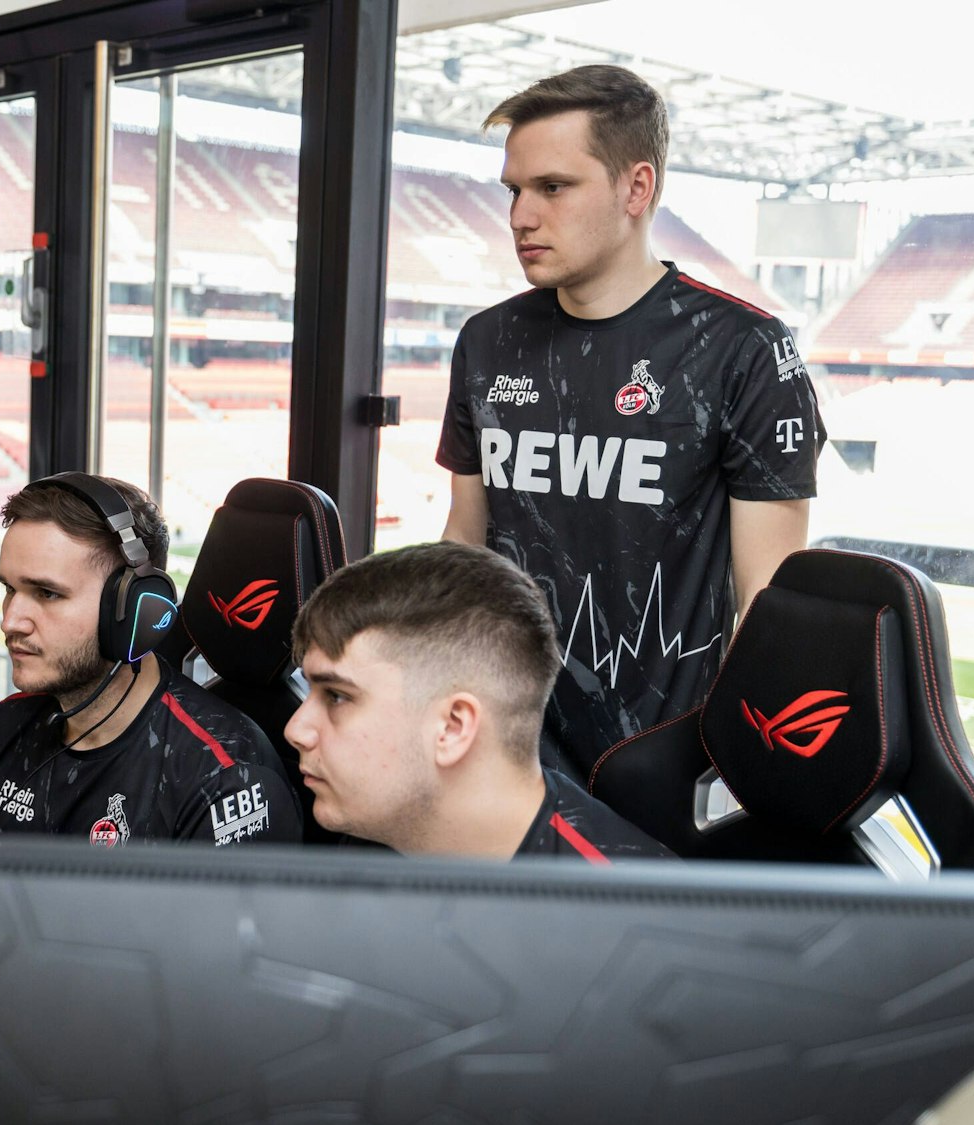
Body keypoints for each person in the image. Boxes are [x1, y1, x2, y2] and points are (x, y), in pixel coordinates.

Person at [438, 64, 825, 774]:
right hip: (503, 743)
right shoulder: (488, 340)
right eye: (515, 190)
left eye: (553, 187)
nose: (521, 216)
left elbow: (766, 599)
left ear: (636, 188)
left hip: (665, 762)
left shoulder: (743, 349)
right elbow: (466, 540)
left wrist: (728, 767)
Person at [0, 473, 303, 847]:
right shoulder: (4, 728)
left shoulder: (222, 779)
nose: (10, 621)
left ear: (132, 611)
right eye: (9, 589)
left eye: (47, 593)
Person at [284, 541, 670, 862]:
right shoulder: (371, 841)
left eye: (336, 696)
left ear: (453, 727)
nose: (295, 730)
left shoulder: (628, 915)